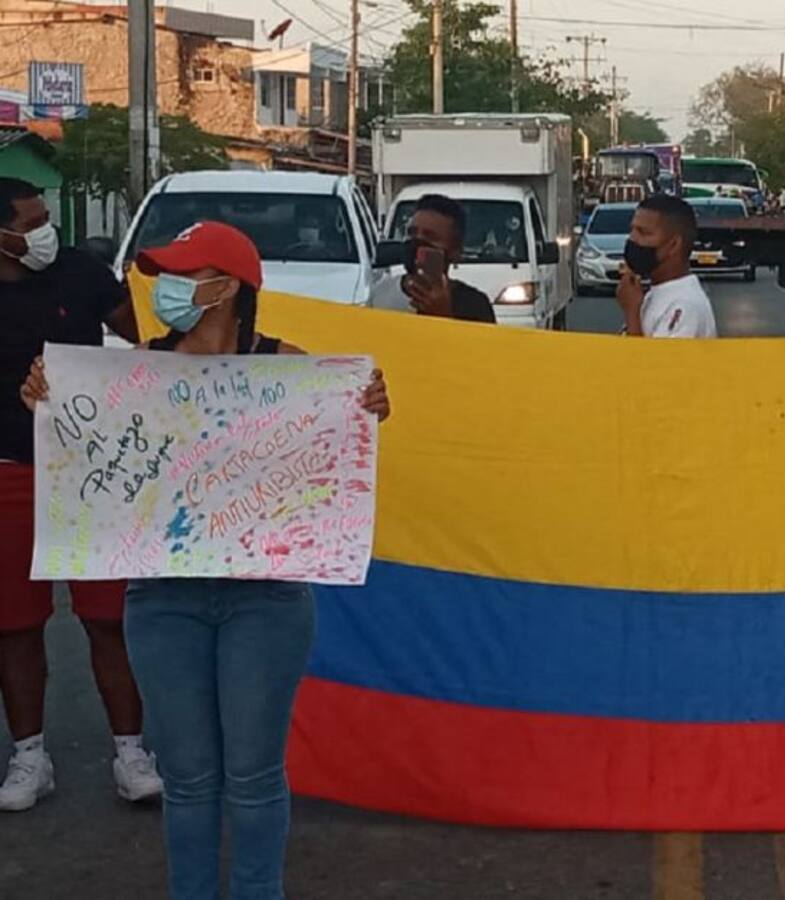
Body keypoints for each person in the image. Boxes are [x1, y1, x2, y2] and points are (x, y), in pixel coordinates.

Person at [22, 220, 390, 898]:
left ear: (226, 288)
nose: (164, 289)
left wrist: (365, 403)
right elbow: (80, 435)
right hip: (163, 600)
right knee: (188, 778)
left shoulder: (288, 366)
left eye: (182, 276)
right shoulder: (131, 374)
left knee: (252, 773)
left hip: (266, 599)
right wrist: (47, 396)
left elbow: (335, 439)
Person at [0, 177, 161, 812]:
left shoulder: (81, 273)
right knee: (14, 625)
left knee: (108, 617)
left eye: (46, 219)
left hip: (92, 471)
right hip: (9, 470)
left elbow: (151, 343)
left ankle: (131, 751)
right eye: (31, 222)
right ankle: (29, 755)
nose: (46, 231)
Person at [378, 193, 496, 323]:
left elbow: (479, 344)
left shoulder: (475, 305)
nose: (418, 241)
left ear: (455, 251)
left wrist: (443, 315)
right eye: (412, 233)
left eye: (430, 237)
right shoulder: (380, 294)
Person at [615, 194, 718, 338]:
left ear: (674, 245)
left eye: (643, 233)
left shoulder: (685, 306)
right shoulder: (654, 294)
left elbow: (656, 360)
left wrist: (632, 312)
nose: (633, 238)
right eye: (632, 230)